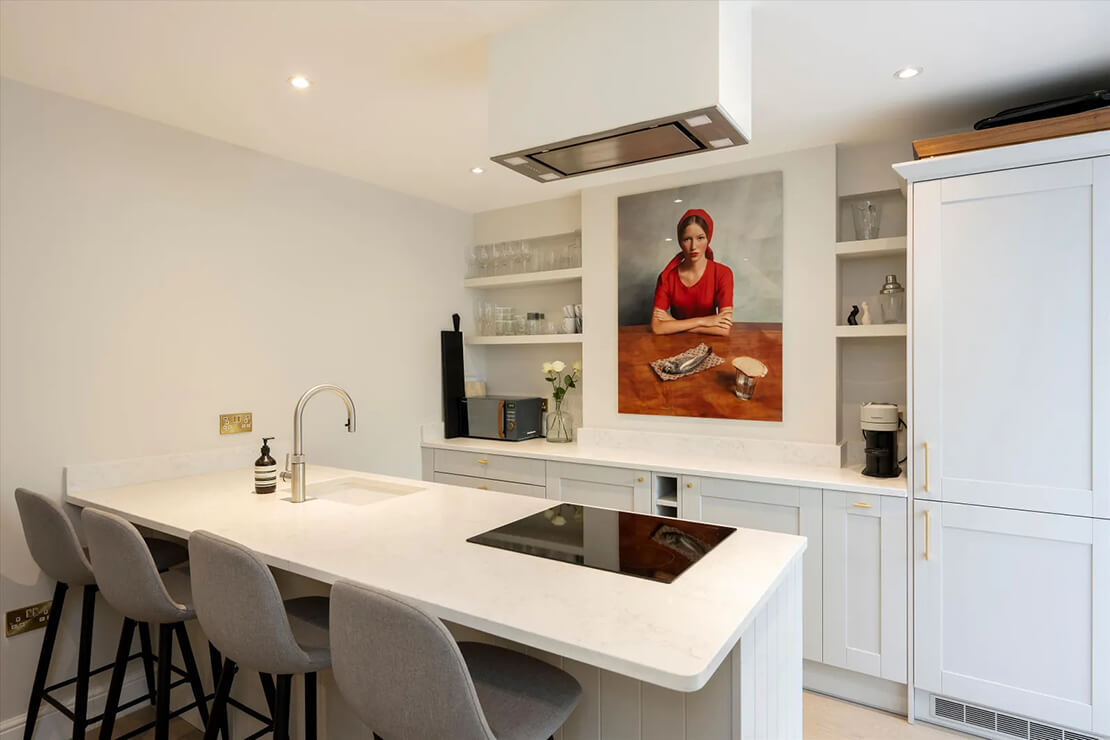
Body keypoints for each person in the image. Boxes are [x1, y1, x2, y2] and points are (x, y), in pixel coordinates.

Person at [651, 208, 734, 336]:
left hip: (714, 345)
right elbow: (657, 327)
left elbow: (724, 329)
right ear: (680, 241)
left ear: (708, 239)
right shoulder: (667, 277)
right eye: (687, 239)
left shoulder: (723, 273)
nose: (693, 246)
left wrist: (673, 323)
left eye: (700, 238)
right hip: (673, 345)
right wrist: (705, 321)